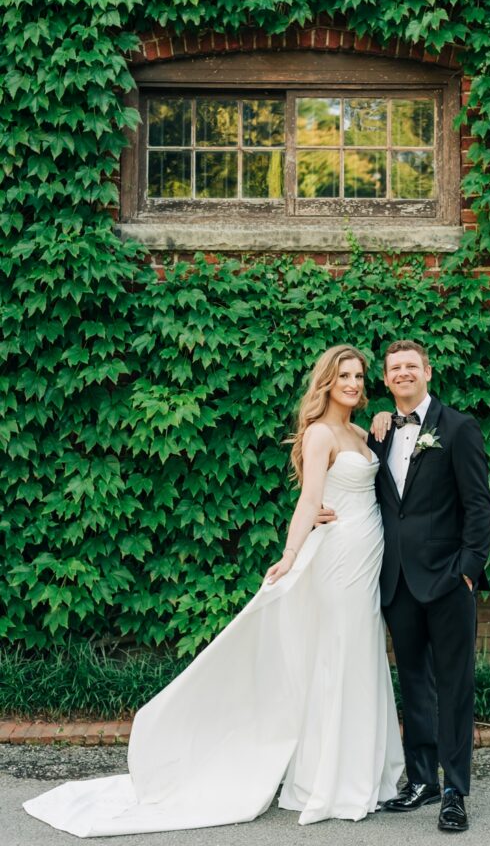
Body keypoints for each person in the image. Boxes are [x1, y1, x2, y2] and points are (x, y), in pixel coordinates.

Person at [23, 345, 403, 837]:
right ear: (326, 383)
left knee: (362, 655)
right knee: (337, 655)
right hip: (337, 559)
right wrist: (290, 556)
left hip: (368, 554)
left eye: (357, 376)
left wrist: (380, 416)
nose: (352, 383)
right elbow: (310, 499)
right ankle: (328, 781)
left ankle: (361, 771)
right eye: (343, 376)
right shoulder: (319, 434)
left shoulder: (360, 430)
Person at [322, 339, 490, 833]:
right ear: (385, 377)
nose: (403, 373)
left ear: (428, 372)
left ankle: (455, 791)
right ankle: (421, 779)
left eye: (411, 366)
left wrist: (468, 570)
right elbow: (347, 484)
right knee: (414, 679)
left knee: (455, 685)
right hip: (394, 579)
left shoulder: (458, 429)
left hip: (447, 580)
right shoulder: (376, 432)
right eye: (395, 368)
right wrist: (314, 511)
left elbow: (479, 507)